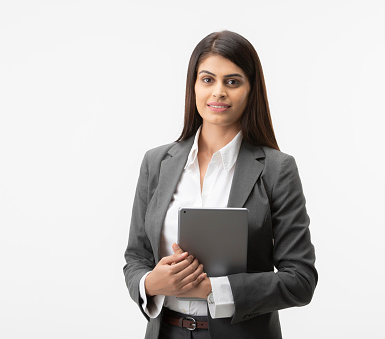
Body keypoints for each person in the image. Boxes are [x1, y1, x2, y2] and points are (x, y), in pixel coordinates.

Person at [123, 30, 317, 339]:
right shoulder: (156, 163)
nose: (218, 92)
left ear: (251, 90)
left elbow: (301, 280)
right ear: (194, 86)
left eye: (233, 81)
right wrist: (150, 284)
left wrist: (215, 290)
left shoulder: (277, 169)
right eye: (208, 79)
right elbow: (136, 258)